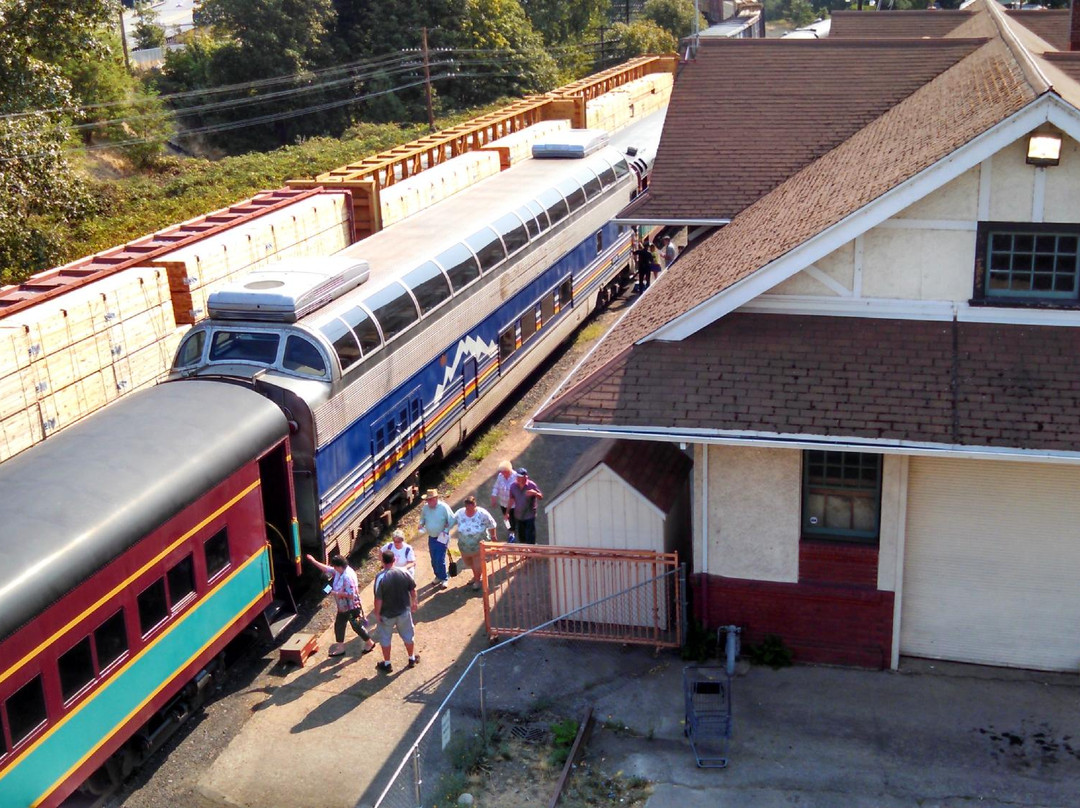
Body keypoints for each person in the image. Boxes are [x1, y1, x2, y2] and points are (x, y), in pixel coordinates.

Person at [304, 553, 376, 658]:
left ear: (338, 566)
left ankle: (368, 643)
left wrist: (336, 593)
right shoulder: (340, 571)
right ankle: (342, 647)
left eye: (334, 566)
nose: (333, 568)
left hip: (350, 608)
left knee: (355, 626)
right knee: (341, 625)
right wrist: (314, 561)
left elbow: (352, 595)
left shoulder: (347, 577)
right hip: (343, 607)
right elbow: (327, 569)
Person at [372, 549, 419, 672]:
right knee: (408, 636)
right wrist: (414, 602)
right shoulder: (404, 572)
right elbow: (413, 590)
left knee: (385, 638)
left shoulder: (380, 577)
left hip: (386, 615)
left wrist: (377, 613)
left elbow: (378, 599)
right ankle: (412, 658)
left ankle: (387, 664)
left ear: (382, 561)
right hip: (404, 612)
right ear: (395, 560)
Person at [453, 495, 497, 592]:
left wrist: (493, 537)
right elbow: (451, 521)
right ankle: (476, 576)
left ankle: (477, 581)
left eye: (470, 507)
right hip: (464, 547)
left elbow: (492, 524)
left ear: (474, 505)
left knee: (477, 563)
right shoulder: (460, 513)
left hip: (478, 545)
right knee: (470, 563)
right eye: (467, 507)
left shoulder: (482, 513)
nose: (468, 509)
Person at [418, 488, 456, 589]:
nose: (428, 502)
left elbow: (452, 519)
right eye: (427, 500)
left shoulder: (443, 507)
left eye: (430, 499)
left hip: (442, 536)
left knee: (440, 558)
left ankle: (444, 578)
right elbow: (422, 519)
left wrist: (446, 530)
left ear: (436, 498)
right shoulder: (425, 508)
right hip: (431, 537)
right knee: (433, 559)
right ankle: (438, 576)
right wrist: (421, 524)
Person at [508, 467, 543, 545]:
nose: (518, 479)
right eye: (517, 477)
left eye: (520, 477)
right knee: (521, 536)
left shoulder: (532, 485)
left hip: (529, 516)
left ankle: (531, 552)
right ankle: (524, 552)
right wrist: (507, 512)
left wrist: (535, 493)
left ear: (525, 477)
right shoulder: (513, 486)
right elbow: (511, 499)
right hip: (518, 516)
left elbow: (541, 497)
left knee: (530, 536)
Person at [490, 459, 516, 537]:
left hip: (514, 504)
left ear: (508, 471)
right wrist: (493, 496)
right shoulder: (500, 476)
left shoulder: (516, 477)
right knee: (506, 518)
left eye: (503, 472)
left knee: (513, 518)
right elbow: (496, 486)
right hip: (503, 502)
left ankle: (514, 530)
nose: (501, 473)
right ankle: (510, 530)